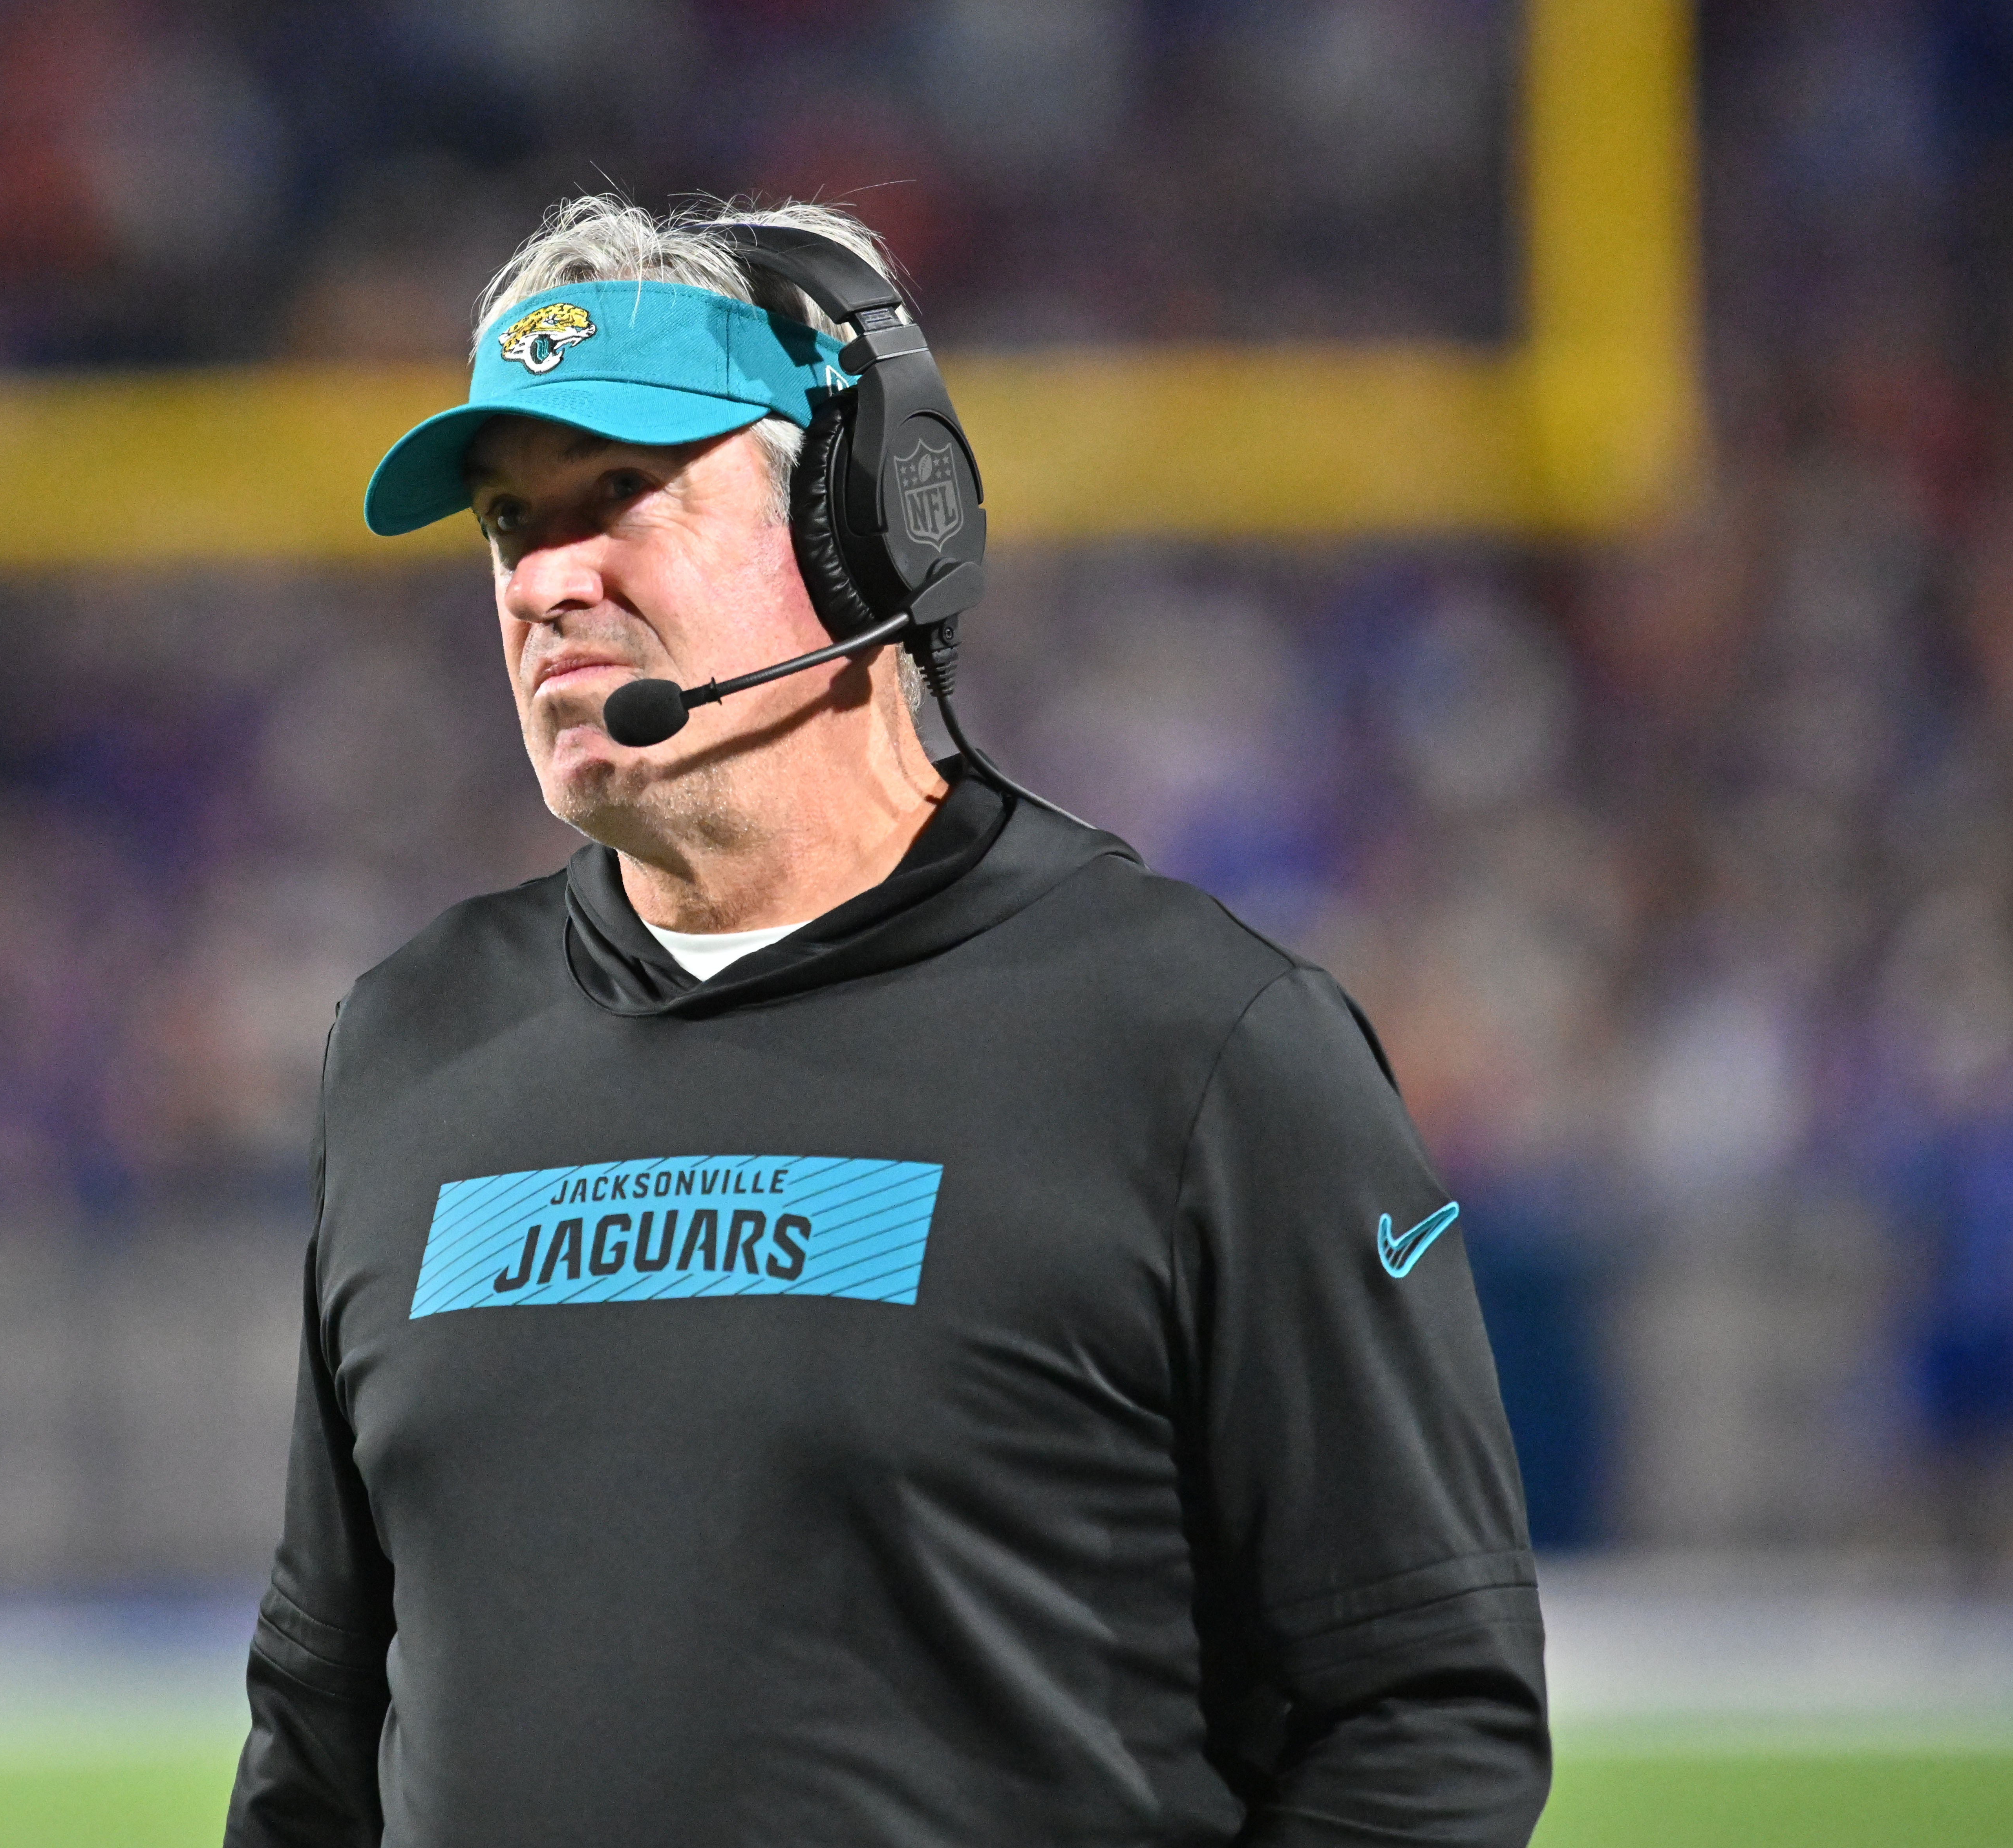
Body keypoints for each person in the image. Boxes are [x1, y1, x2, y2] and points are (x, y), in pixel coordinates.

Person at [225, 196, 1549, 1848]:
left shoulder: (1200, 1046)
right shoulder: (410, 1044)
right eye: (510, 525)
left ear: (867, 525)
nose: (548, 581)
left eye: (623, 494)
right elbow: (317, 1720)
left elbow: (1421, 1716)